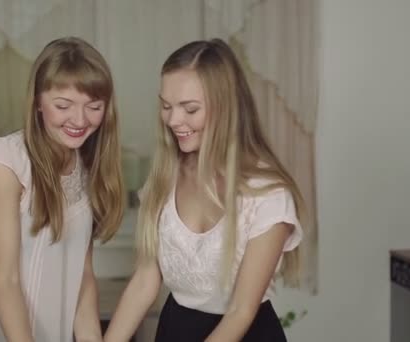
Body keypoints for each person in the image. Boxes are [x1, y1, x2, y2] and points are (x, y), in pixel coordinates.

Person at [104, 38, 304, 342]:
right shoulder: (163, 180)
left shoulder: (268, 195)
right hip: (175, 329)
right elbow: (145, 281)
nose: (173, 120)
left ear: (226, 109)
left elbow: (240, 311)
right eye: (167, 106)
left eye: (190, 109)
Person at [0, 37, 124, 342]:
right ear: (38, 103)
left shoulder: (85, 167)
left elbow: (82, 279)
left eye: (94, 107)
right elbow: (6, 280)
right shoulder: (5, 163)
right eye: (63, 105)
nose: (79, 120)